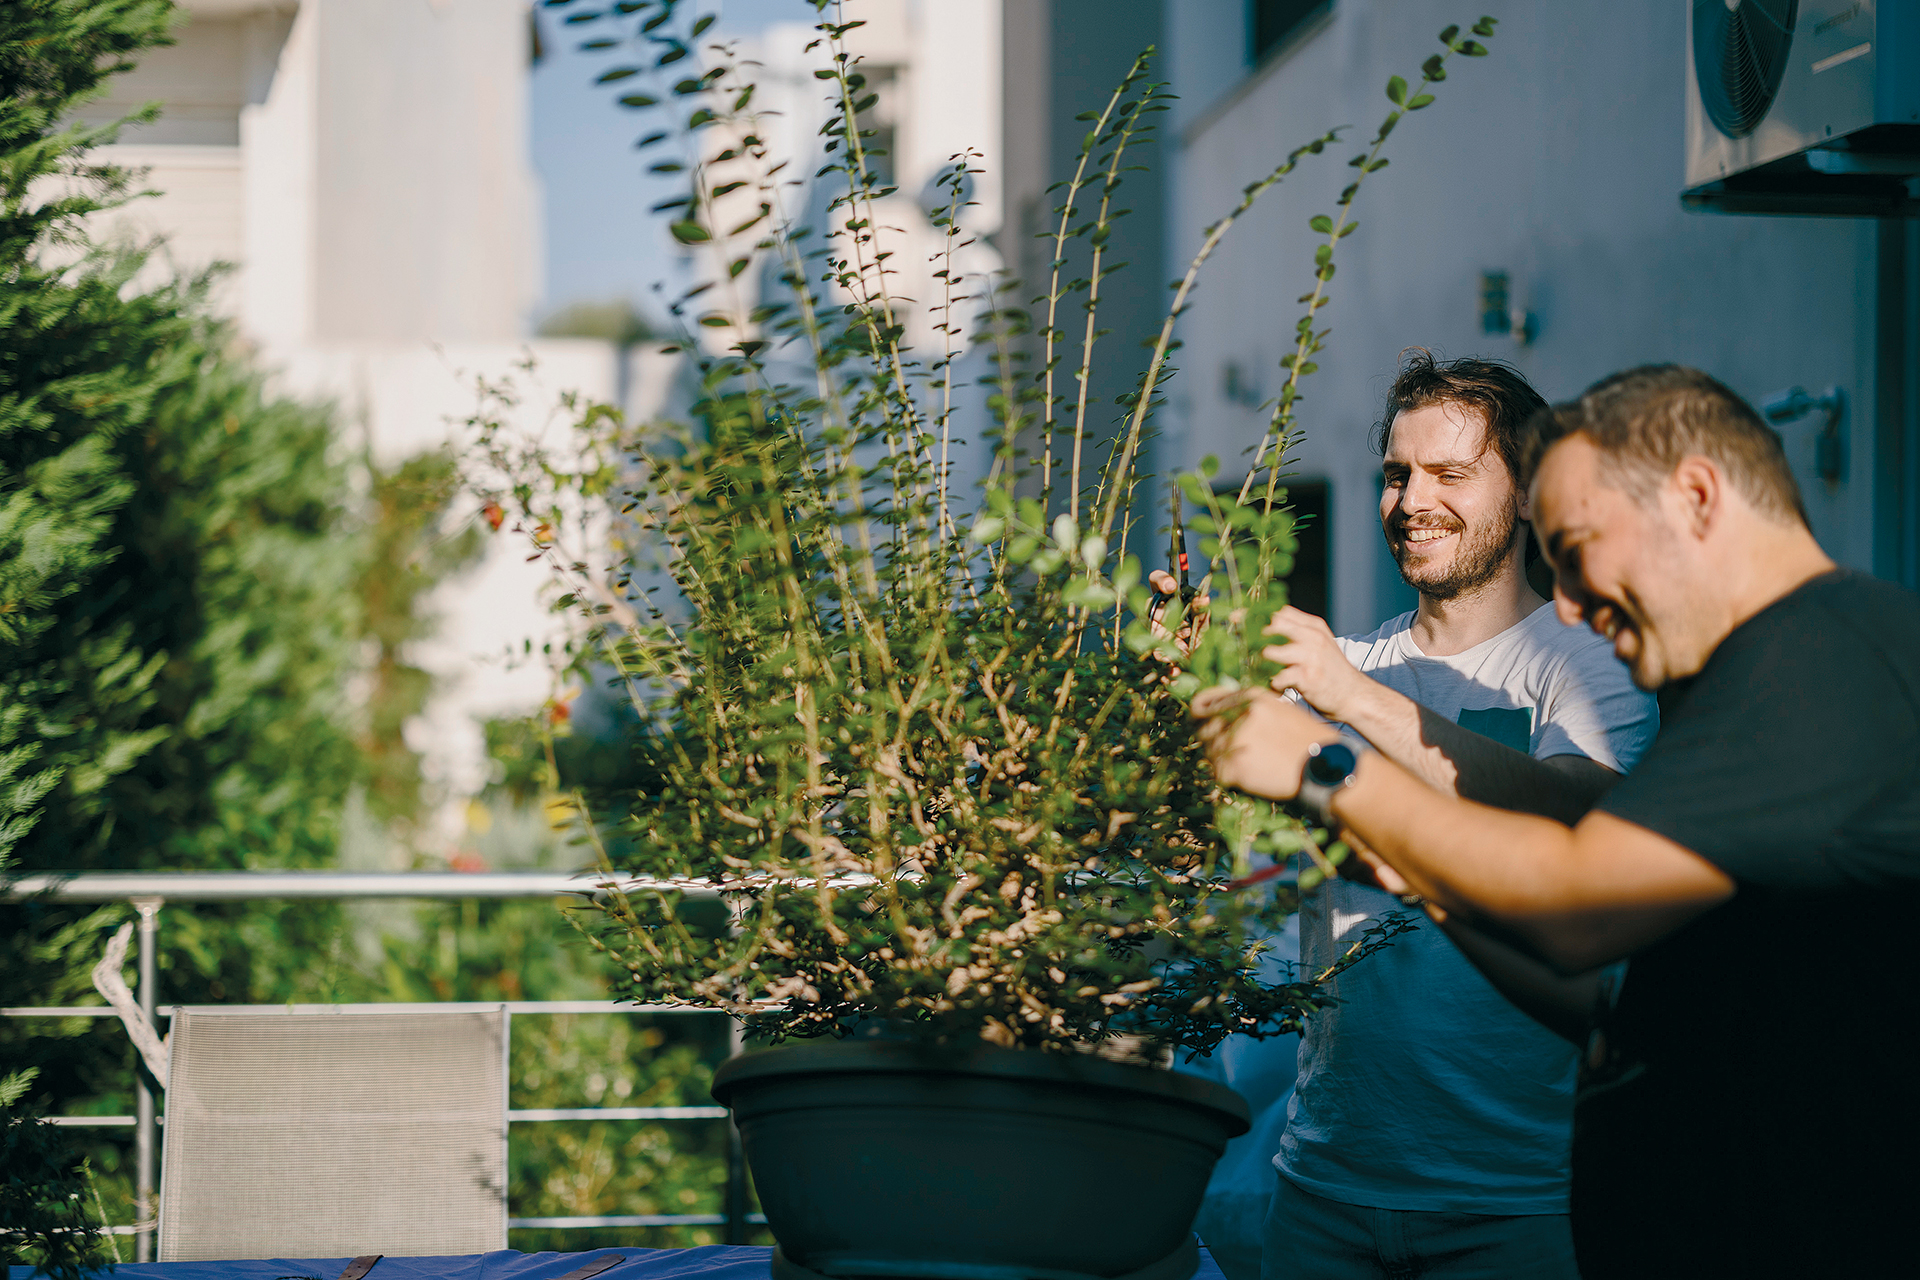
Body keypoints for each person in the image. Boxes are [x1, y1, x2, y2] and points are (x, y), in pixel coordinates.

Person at [1193, 364, 1919, 1277]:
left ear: (1696, 497)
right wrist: (1404, 861)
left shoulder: (1816, 666)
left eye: (1577, 545)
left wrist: (1326, 771)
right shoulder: (1783, 666)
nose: (1568, 602)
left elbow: (1576, 907)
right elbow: (1606, 995)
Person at [1162, 352, 1657, 1279]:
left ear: (1526, 495)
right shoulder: (1336, 665)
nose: (1411, 499)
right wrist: (1182, 699)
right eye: (1396, 474)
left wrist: (1348, 696)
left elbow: (1585, 815)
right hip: (1323, 1187)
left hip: (1516, 1202)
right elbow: (1211, 843)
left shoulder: (1583, 667)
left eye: (1450, 473)